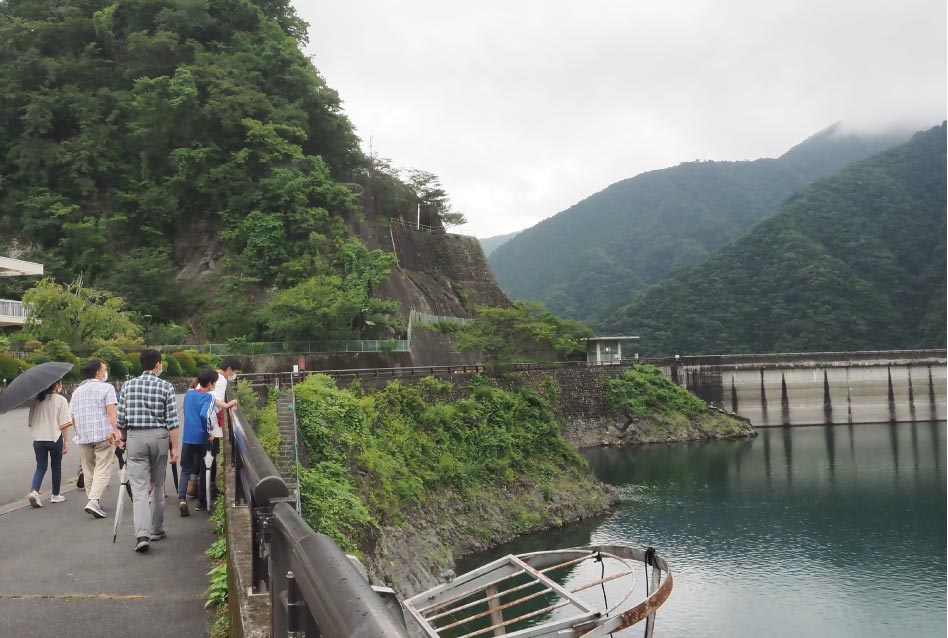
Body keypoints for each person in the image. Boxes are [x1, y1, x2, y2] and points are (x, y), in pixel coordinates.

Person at [117, 350, 180, 553]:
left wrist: (125, 440)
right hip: (160, 437)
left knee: (139, 489)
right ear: (158, 365)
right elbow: (172, 421)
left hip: (135, 437)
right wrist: (175, 447)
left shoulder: (128, 386)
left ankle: (141, 535)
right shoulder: (166, 387)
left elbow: (121, 419)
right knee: (159, 485)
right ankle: (156, 529)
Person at [69, 359, 121, 519]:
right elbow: (111, 412)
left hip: (83, 435)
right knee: (103, 467)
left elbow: (72, 415)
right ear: (98, 372)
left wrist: (78, 431)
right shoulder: (107, 388)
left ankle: (93, 501)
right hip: (103, 433)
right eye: (104, 369)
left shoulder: (77, 391)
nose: (106, 372)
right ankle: (93, 501)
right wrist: (117, 431)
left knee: (88, 469)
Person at [187, 357, 239, 500]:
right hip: (209, 424)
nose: (233, 375)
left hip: (196, 423)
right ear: (228, 370)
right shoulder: (220, 380)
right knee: (210, 457)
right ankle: (207, 492)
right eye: (234, 372)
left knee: (198, 455)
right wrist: (228, 405)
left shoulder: (208, 375)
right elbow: (212, 401)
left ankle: (193, 486)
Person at [177, 368, 219, 517]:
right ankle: (203, 502)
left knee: (185, 469)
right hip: (202, 438)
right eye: (214, 383)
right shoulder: (209, 397)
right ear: (210, 383)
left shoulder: (189, 393)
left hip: (188, 438)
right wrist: (209, 433)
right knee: (205, 469)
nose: (214, 385)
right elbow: (204, 415)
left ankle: (182, 498)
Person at [27, 379, 72, 508]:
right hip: (54, 437)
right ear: (57, 385)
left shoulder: (36, 400)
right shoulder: (61, 400)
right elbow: (63, 424)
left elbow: (31, 422)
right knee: (56, 466)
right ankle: (56, 495)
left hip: (38, 439)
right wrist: (66, 441)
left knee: (41, 466)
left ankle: (34, 491)